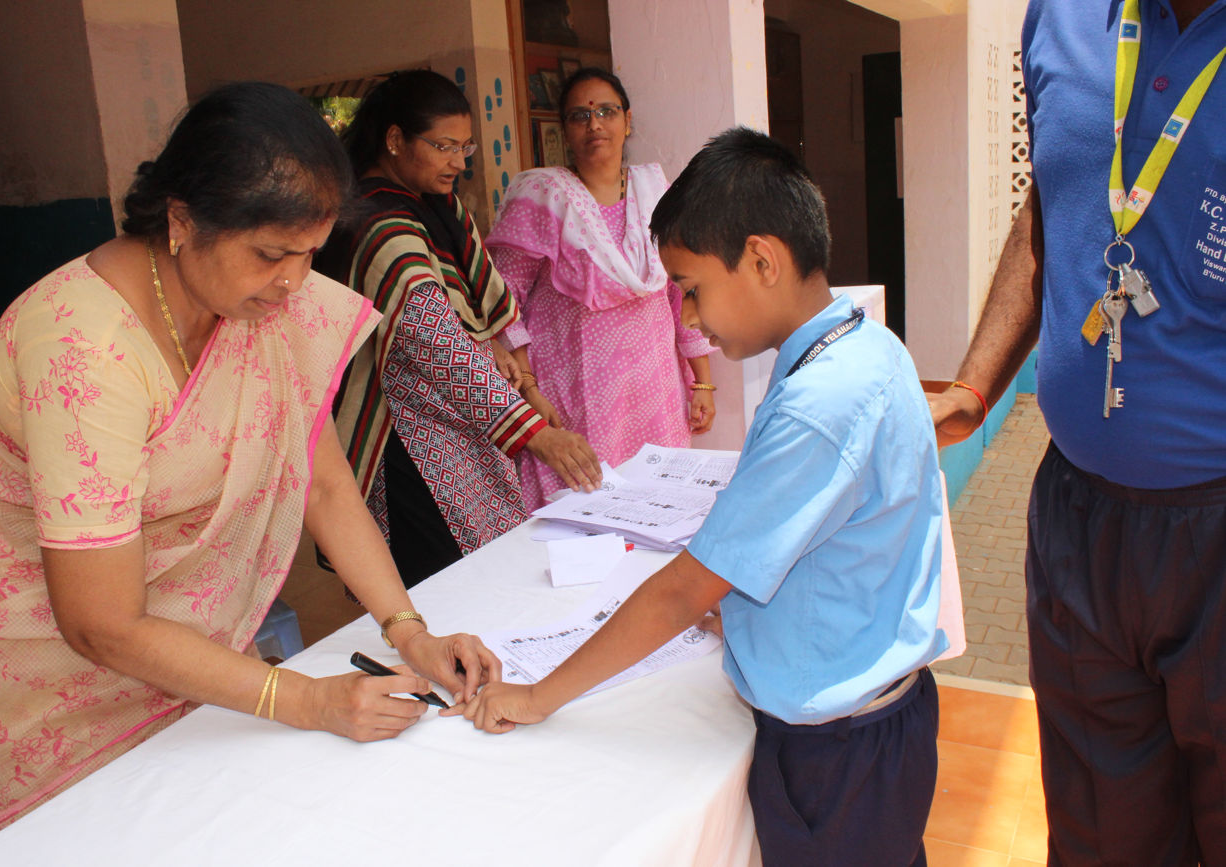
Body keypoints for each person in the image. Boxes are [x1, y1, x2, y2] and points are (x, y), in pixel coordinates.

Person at [0, 82, 500, 863]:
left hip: (166, 660)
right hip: (21, 676)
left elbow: (324, 482)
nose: (297, 283)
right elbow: (100, 621)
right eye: (272, 253)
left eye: (311, 252)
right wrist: (305, 698)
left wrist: (410, 631)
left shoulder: (264, 304)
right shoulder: (85, 347)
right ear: (182, 219)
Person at [462, 128, 948, 866]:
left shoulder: (819, 402)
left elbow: (681, 592)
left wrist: (536, 698)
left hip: (837, 751)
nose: (688, 320)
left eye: (691, 290)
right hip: (870, 721)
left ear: (761, 260)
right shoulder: (864, 344)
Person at [928, 1, 1226, 862]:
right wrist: (975, 385)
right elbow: (1055, 200)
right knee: (1101, 836)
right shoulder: (1061, 16)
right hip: (1078, 522)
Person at [317, 70, 601, 589]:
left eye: (465, 146)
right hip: (409, 438)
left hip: (468, 421)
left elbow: (486, 299)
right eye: (444, 146)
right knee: (442, 583)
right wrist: (533, 434)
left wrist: (524, 380)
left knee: (487, 566)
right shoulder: (380, 227)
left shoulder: (439, 206)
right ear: (396, 140)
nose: (459, 161)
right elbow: (437, 342)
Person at [484, 68, 715, 511]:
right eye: (579, 116)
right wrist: (529, 391)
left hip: (655, 388)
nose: (594, 125)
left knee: (656, 511)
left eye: (606, 112)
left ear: (626, 121)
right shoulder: (541, 196)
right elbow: (502, 301)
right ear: (565, 130)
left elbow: (678, 293)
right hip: (573, 393)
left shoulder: (655, 192)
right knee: (586, 514)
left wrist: (702, 384)